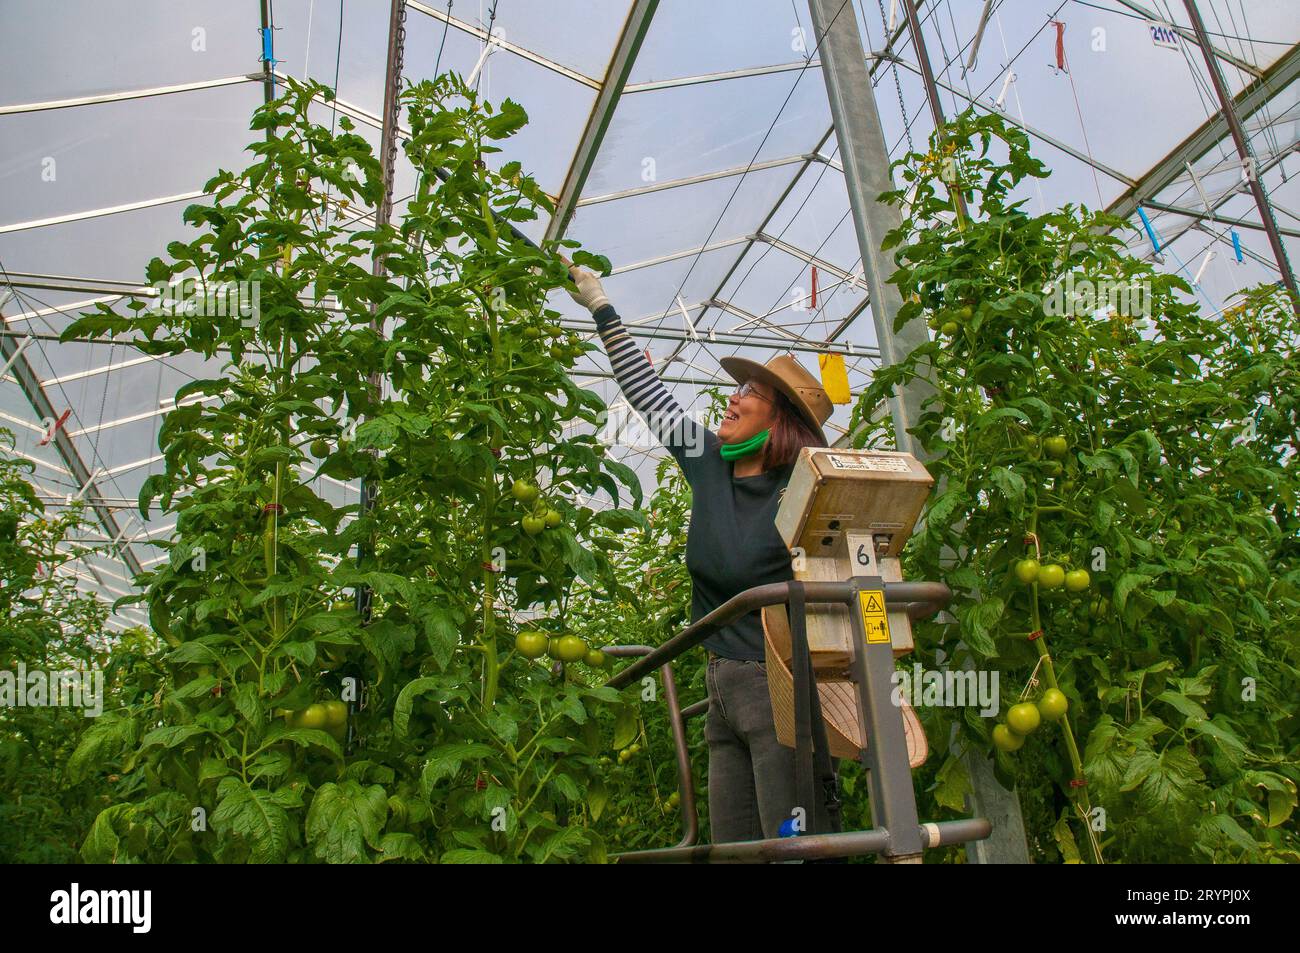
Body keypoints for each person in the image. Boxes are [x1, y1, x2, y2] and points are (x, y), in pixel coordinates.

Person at [565, 263, 833, 845]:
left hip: (779, 690)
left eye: (749, 394)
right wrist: (599, 302)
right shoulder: (710, 463)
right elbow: (648, 394)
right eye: (736, 390)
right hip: (720, 692)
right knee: (733, 847)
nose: (731, 401)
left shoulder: (805, 490)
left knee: (795, 845)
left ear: (779, 418)